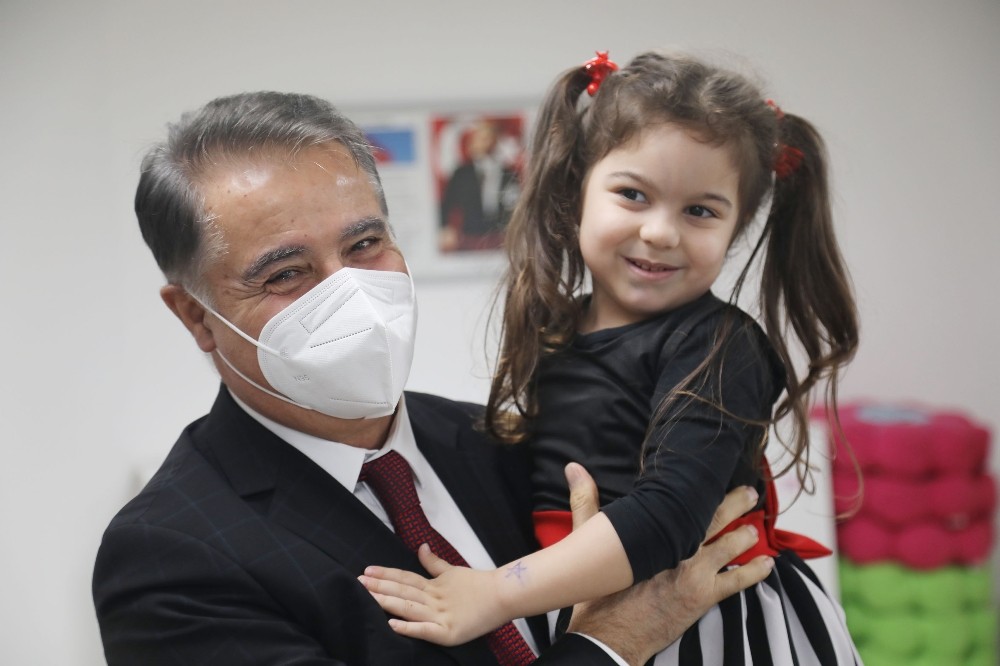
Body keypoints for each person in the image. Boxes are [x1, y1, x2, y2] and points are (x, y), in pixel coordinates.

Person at [91, 90, 773, 666]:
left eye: (365, 244)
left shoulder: (488, 439)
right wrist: (613, 641)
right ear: (196, 316)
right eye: (286, 274)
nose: (352, 292)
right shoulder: (169, 560)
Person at [359, 50, 864, 665]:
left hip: (711, 623)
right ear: (577, 191)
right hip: (580, 608)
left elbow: (668, 515)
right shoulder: (557, 328)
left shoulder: (720, 344)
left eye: (700, 210)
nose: (660, 232)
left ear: (736, 228)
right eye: (633, 194)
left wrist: (494, 593)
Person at [439, 117, 521, 252]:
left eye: (489, 138)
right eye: (481, 138)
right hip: (470, 237)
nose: (486, 143)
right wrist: (445, 227)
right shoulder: (461, 174)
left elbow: (517, 204)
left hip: (502, 238)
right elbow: (446, 204)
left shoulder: (509, 174)